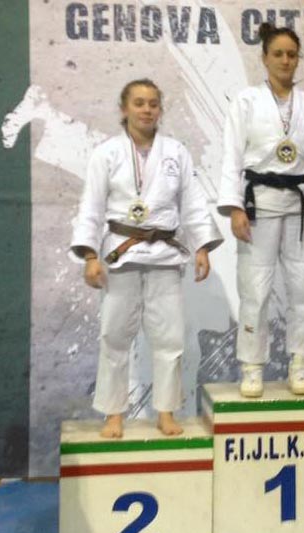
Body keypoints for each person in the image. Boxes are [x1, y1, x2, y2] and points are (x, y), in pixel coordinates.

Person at [71, 78, 223, 438]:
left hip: (164, 256)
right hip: (121, 255)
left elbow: (193, 202)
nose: (147, 110)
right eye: (139, 103)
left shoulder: (175, 153)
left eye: (153, 104)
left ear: (160, 110)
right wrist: (90, 255)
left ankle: (166, 412)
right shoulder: (107, 153)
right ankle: (114, 414)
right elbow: (91, 205)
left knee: (170, 338)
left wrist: (202, 246)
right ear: (124, 109)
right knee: (114, 336)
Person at [217, 23, 304, 398]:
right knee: (255, 289)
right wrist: (234, 207)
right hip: (259, 204)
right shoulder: (246, 102)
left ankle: (300, 364)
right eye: (278, 54)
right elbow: (231, 157)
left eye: (291, 54)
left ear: (298, 58)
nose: (285, 60)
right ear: (264, 58)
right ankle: (252, 366)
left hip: (302, 206)